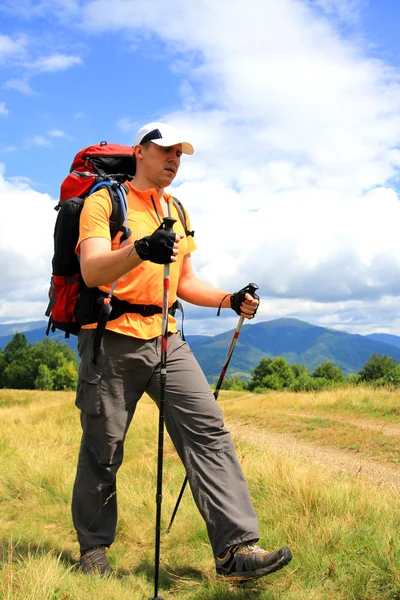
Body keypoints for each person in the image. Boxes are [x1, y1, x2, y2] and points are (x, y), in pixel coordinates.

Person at [71, 121, 293, 581]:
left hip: (167, 337)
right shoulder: (104, 202)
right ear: (140, 151)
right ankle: (93, 551)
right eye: (166, 150)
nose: (174, 159)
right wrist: (140, 250)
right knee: (103, 447)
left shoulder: (177, 209)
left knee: (208, 432)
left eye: (180, 153)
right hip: (110, 338)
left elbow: (185, 281)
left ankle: (236, 551)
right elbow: (92, 270)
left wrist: (229, 300)